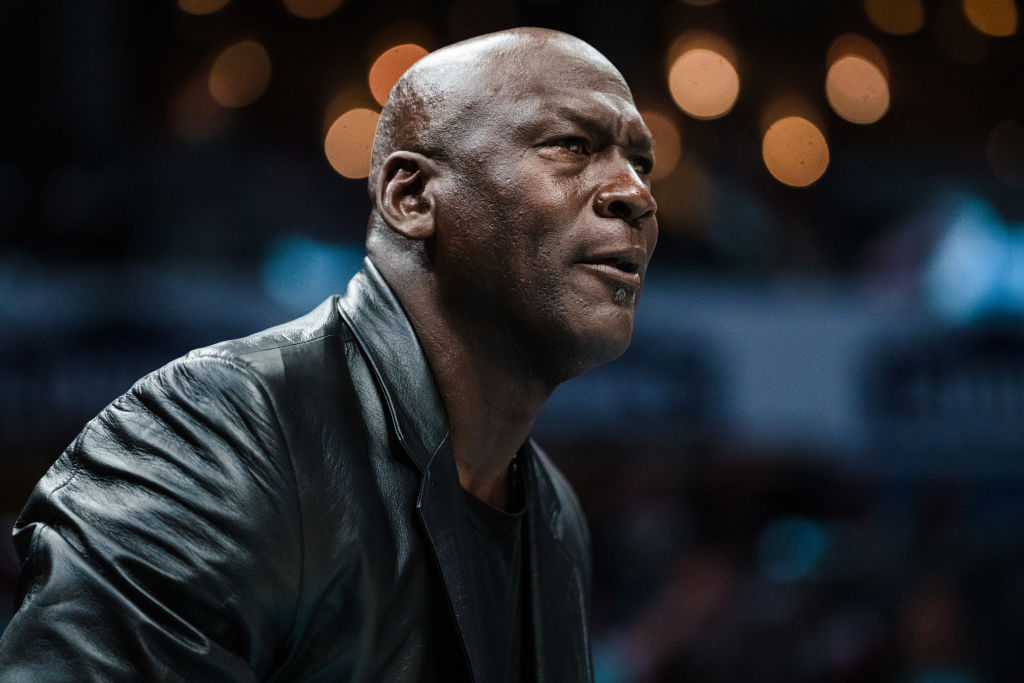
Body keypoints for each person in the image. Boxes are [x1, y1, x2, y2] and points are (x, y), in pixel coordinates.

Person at [0, 27, 657, 681]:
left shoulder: (555, 516)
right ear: (411, 197)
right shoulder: (220, 433)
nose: (637, 194)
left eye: (642, 162)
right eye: (571, 146)